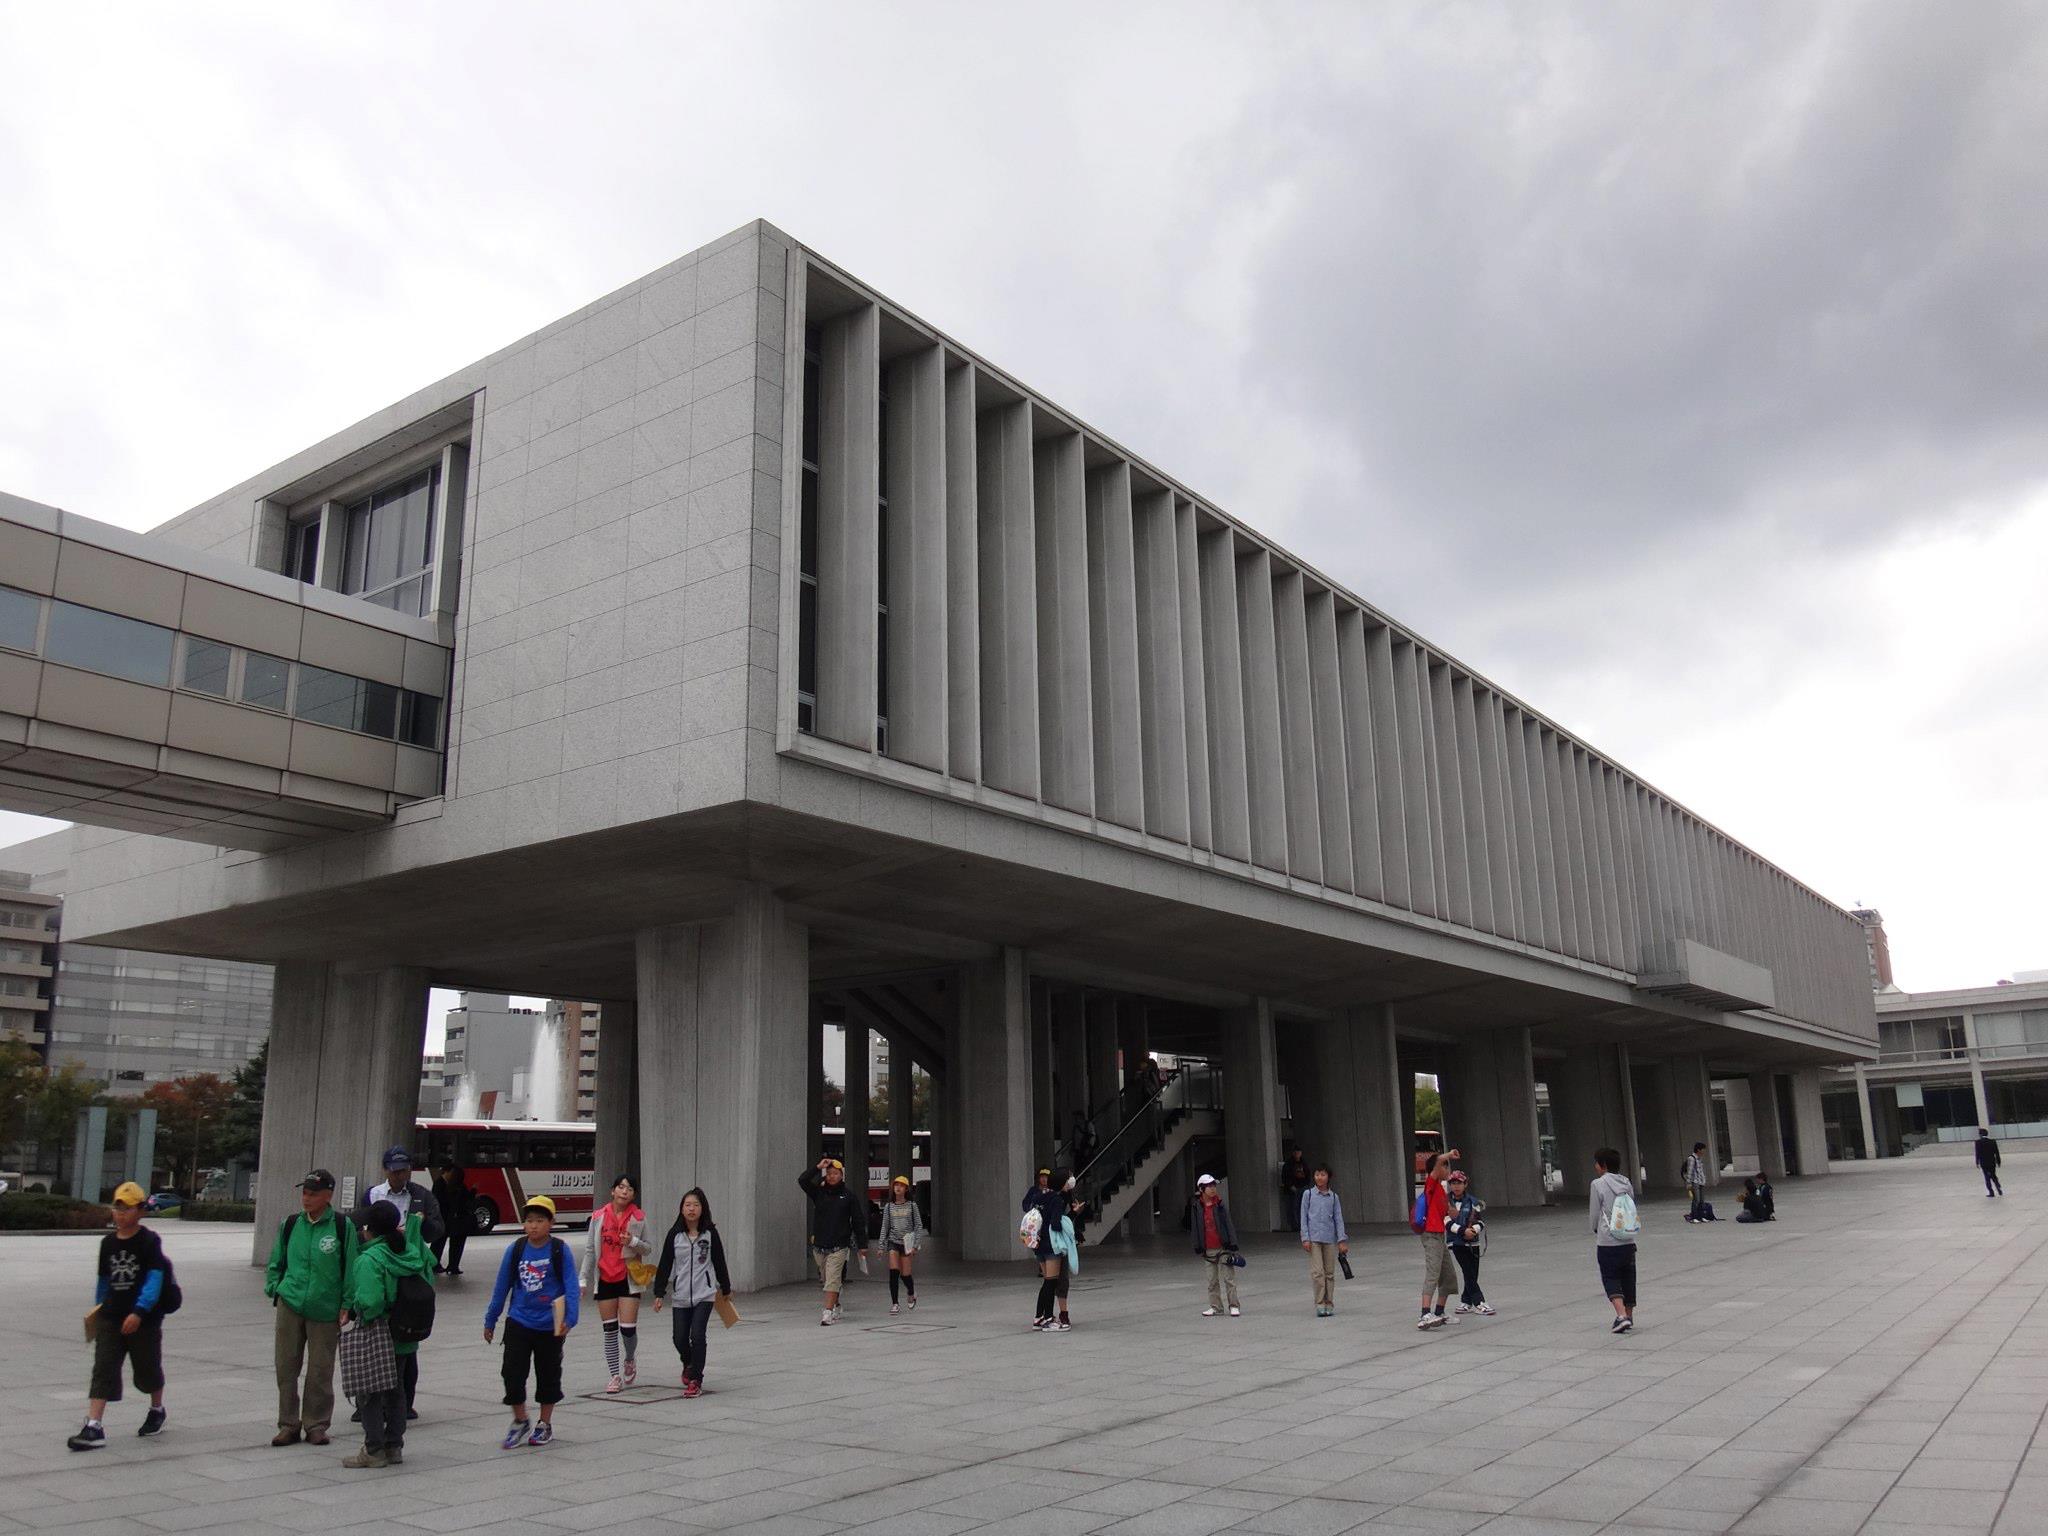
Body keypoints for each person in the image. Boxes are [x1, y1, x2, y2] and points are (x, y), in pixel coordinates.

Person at [67, 1182, 169, 1450]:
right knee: (103, 1369)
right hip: (111, 1317)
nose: (120, 1214)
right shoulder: (108, 1243)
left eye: (127, 1208)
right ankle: (93, 1426)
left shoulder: (149, 1241)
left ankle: (157, 1409)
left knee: (148, 1370)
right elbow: (104, 1280)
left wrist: (140, 1310)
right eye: (117, 1207)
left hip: (143, 1320)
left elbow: (155, 1278)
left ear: (140, 1210)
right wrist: (98, 1309)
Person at [355, 1145, 445, 1421]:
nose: (400, 1176)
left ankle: (405, 1402)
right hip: (380, 1264)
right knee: (374, 1347)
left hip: (408, 1267)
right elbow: (361, 1229)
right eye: (395, 1171)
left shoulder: (421, 1195)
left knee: (406, 1338)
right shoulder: (372, 1195)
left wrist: (419, 1225)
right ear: (386, 1170)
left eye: (405, 1170)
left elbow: (438, 1228)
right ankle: (367, 1405)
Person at [264, 1168, 352, 1447]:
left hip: (325, 1308)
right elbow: (277, 1259)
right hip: (290, 1303)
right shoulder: (291, 1224)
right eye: (305, 1192)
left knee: (320, 1369)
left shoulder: (341, 1226)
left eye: (313, 1193)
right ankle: (288, 1423)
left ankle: (316, 1423)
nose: (307, 1198)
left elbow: (351, 1267)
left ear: (328, 1195)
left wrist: (347, 1303)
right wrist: (274, 1287)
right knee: (286, 1366)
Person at [483, 1195, 579, 1449]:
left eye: (539, 1220)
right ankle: (520, 1419)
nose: (534, 1226)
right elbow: (501, 1287)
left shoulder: (560, 1250)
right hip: (519, 1321)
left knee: (549, 1375)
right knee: (512, 1374)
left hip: (550, 1324)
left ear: (551, 1222)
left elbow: (571, 1285)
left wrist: (571, 1317)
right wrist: (491, 1319)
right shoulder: (516, 1249)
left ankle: (544, 1423)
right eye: (529, 1221)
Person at [342, 1199, 431, 1468]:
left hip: (379, 1331)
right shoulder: (411, 1252)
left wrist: (358, 1310)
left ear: (368, 1229)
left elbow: (370, 1301)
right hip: (407, 1332)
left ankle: (373, 1450)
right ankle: (395, 1446)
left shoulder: (370, 1259)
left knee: (370, 1392)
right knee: (396, 1390)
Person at [651, 1187, 730, 1398]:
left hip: (705, 1294)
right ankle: (689, 1363)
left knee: (697, 1335)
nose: (691, 1209)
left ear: (702, 1208)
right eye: (687, 1205)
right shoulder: (674, 1234)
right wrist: (659, 1292)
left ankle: (696, 1379)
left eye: (695, 1205)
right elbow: (665, 1263)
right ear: (681, 1209)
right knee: (679, 1338)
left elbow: (719, 1261)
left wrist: (726, 1287)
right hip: (681, 1295)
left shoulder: (710, 1233)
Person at [583, 1174, 649, 1393]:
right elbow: (590, 1250)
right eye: (620, 1187)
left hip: (628, 1278)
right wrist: (583, 1278)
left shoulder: (638, 1218)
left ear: (634, 1195)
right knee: (610, 1330)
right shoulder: (598, 1217)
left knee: (627, 1329)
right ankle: (614, 1375)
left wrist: (633, 1241)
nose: (624, 1191)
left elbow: (648, 1248)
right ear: (612, 1191)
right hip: (605, 1279)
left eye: (629, 1189)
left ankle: (629, 1358)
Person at [797, 1157, 862, 1325]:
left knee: (832, 1280)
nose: (832, 1176)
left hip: (839, 1246)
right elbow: (802, 1180)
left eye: (836, 1173)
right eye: (830, 1173)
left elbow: (857, 1220)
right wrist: (818, 1167)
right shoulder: (819, 1193)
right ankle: (836, 1303)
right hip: (820, 1246)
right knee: (827, 1281)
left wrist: (862, 1244)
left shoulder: (849, 1197)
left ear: (842, 1176)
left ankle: (827, 1312)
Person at [1591, 1147, 1638, 1333]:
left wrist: (1594, 1228)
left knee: (1610, 1276)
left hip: (1608, 1240)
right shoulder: (1626, 1182)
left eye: (1596, 1163)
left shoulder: (1598, 1184)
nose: (1595, 1166)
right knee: (1628, 1276)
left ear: (1603, 1166)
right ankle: (1629, 1314)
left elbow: (1595, 1212)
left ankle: (1621, 1316)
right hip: (1628, 1238)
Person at [1414, 1151, 1459, 1330]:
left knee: (1448, 1276)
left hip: (1440, 1235)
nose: (1447, 1168)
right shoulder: (1431, 1183)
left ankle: (1439, 1312)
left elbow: (1444, 1212)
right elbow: (1438, 1160)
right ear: (1435, 1169)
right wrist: (1449, 1154)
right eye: (1444, 1165)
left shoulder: (1440, 1189)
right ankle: (1425, 1313)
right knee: (1433, 1273)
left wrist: (1451, 1212)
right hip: (1431, 1235)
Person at [1021, 1167, 1069, 1330]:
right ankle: (1048, 1318)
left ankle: (1038, 1317)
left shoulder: (1037, 1196)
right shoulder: (1056, 1199)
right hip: (1051, 1246)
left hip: (1038, 1245)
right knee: (1051, 1282)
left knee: (1046, 1282)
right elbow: (1055, 1224)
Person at [1190, 1173, 1242, 1317]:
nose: (1213, 1189)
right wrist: (1198, 1246)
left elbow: (1228, 1223)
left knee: (1228, 1278)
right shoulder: (1196, 1207)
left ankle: (1234, 1305)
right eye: (1209, 1186)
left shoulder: (1220, 1204)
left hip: (1223, 1246)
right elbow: (1195, 1228)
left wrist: (1233, 1243)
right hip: (1208, 1248)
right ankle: (1216, 1306)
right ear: (1201, 1189)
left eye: (1214, 1186)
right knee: (1212, 1280)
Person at [1299, 1163, 1347, 1316]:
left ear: (1328, 1177)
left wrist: (1342, 1240)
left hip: (1329, 1238)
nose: (1319, 1177)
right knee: (1317, 1272)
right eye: (1317, 1174)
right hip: (1313, 1239)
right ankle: (1320, 1303)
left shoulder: (1333, 1197)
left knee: (1329, 1273)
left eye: (1323, 1174)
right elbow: (1303, 1217)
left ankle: (1329, 1302)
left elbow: (1338, 1219)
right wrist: (1305, 1237)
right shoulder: (1308, 1194)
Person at [1445, 1168, 1493, 1316]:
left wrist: (1474, 1230)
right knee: (1468, 1271)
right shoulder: (1445, 1202)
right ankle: (1479, 1302)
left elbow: (1480, 1221)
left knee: (1472, 1272)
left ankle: (1466, 1301)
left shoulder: (1473, 1201)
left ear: (1465, 1184)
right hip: (1456, 1242)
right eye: (1453, 1183)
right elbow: (1445, 1221)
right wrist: (1462, 1231)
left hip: (1473, 1243)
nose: (1456, 1186)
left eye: (1459, 1183)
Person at [876, 1174, 924, 1314]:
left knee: (905, 1274)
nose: (898, 1188)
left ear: (906, 1189)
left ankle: (911, 1291)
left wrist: (915, 1245)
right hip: (893, 1242)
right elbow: (885, 1227)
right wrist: (881, 1246)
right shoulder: (889, 1207)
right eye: (896, 1185)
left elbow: (918, 1225)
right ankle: (895, 1303)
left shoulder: (912, 1205)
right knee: (893, 1272)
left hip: (907, 1243)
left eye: (901, 1185)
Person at [431, 1164, 470, 1275]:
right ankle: (436, 1263)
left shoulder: (456, 1186)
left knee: (450, 1243)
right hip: (445, 1218)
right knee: (440, 1242)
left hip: (452, 1220)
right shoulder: (440, 1184)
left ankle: (451, 1265)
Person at [1280, 1149, 1310, 1232]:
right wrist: (1290, 1186)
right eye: (1296, 1152)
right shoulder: (1288, 1164)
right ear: (1293, 1153)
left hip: (1302, 1187)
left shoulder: (1304, 1163)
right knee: (1293, 1207)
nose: (1297, 1154)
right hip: (1292, 1189)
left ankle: (1302, 1225)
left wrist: (1306, 1184)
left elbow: (1308, 1174)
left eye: (1299, 1152)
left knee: (1302, 1207)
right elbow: (1285, 1176)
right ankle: (1295, 1225)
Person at [1976, 1128, 2004, 1197]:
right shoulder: (1992, 1141)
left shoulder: (1978, 1142)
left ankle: (1991, 1192)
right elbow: (1996, 1153)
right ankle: (1998, 1186)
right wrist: (1998, 1161)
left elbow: (1977, 1153)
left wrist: (1977, 1162)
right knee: (1993, 1175)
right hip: (1992, 1162)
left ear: (1980, 1134)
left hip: (1984, 1163)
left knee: (1987, 1177)